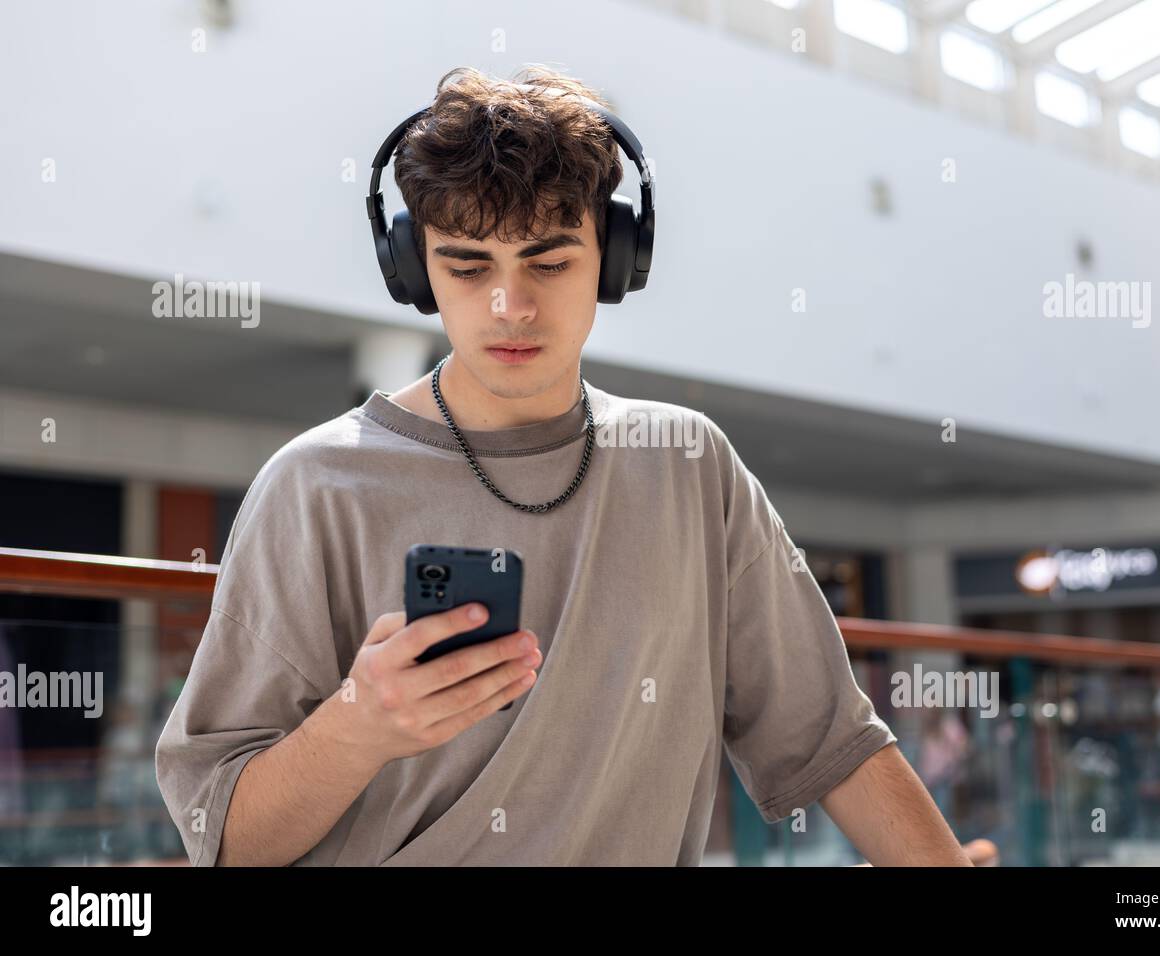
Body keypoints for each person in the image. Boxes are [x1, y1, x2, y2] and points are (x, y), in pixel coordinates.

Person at [154, 64, 969, 867]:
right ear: (414, 269)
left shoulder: (691, 465)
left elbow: (832, 741)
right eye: (468, 268)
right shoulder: (316, 485)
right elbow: (223, 841)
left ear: (617, 260)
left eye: (548, 263)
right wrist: (357, 725)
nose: (511, 307)